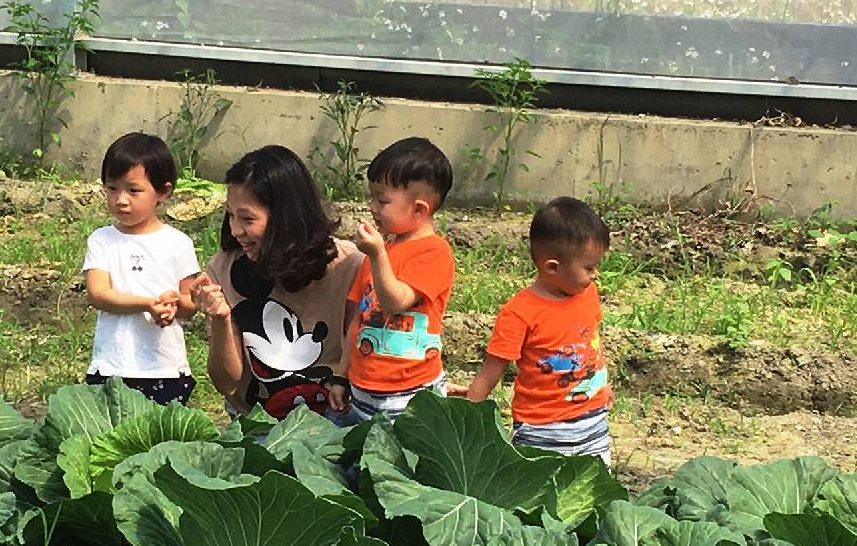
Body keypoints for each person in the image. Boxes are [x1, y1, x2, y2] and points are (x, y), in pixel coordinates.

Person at [190, 146, 361, 420]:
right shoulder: (223, 269)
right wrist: (222, 319)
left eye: (247, 219)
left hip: (332, 421)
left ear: (287, 217)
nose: (235, 230)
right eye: (230, 215)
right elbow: (226, 383)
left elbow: (363, 349)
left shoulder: (347, 265)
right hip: (257, 424)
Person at [459, 196, 613, 464]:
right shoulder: (519, 313)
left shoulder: (588, 294)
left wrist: (603, 383)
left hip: (593, 420)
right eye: (589, 267)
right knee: (540, 492)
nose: (595, 274)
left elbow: (593, 341)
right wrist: (463, 417)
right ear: (552, 267)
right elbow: (492, 369)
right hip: (542, 429)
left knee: (594, 489)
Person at [334, 137, 455, 422]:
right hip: (363, 388)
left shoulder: (434, 252)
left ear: (419, 209)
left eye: (382, 199)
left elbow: (395, 302)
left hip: (411, 392)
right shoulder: (382, 251)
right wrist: (340, 375)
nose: (372, 206)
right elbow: (358, 319)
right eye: (372, 196)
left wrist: (377, 255)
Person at [81, 132, 200, 405]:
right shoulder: (102, 239)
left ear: (163, 192)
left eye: (133, 191)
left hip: (164, 366)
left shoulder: (178, 243)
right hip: (113, 364)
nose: (121, 200)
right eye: (112, 188)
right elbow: (98, 294)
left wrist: (173, 303)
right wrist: (148, 303)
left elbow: (189, 305)